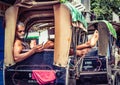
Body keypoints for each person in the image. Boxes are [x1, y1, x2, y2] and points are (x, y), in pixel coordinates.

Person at [13, 21, 99, 63]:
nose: (22, 33)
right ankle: (85, 46)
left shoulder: (20, 41)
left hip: (35, 59)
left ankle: (84, 46)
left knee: (51, 44)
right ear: (14, 31)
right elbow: (16, 58)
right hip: (35, 61)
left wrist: (33, 47)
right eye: (20, 31)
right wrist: (33, 50)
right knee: (50, 44)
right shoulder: (17, 43)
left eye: (23, 31)